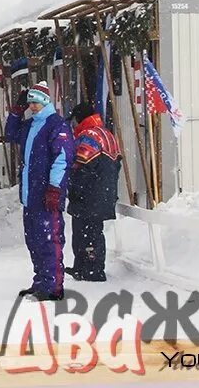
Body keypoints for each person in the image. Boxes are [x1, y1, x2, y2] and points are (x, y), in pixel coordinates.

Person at [5, 81, 74, 301]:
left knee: (49, 239)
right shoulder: (30, 125)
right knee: (34, 240)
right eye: (30, 103)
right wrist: (16, 112)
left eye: (35, 102)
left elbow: (62, 159)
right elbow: (10, 134)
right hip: (30, 195)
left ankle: (53, 286)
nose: (32, 106)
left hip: (46, 195)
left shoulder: (56, 125)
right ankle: (40, 281)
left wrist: (54, 188)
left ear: (45, 101)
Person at [67, 102, 120, 282]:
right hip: (105, 193)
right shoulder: (107, 134)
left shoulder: (87, 136)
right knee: (95, 232)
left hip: (88, 196)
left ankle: (90, 269)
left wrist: (74, 190)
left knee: (84, 233)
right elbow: (116, 166)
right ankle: (91, 266)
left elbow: (81, 168)